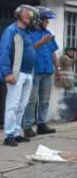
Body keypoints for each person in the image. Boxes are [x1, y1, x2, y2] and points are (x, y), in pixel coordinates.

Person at [1, 5, 37, 146]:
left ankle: (16, 133)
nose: (30, 18)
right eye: (27, 15)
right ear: (19, 16)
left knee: (22, 106)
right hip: (16, 73)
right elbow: (4, 53)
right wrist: (7, 73)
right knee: (13, 105)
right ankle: (9, 135)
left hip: (28, 73)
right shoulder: (11, 31)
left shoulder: (27, 32)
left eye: (31, 16)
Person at [22, 7, 59, 137]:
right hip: (34, 71)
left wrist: (57, 68)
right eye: (46, 20)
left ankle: (41, 124)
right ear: (38, 21)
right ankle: (27, 126)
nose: (47, 23)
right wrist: (41, 42)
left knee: (45, 100)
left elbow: (53, 52)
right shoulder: (28, 34)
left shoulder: (48, 33)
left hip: (48, 71)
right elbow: (28, 50)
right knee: (31, 100)